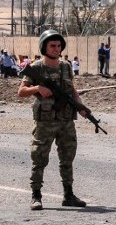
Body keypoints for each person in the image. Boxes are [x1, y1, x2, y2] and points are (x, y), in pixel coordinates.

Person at [17, 30, 89, 210]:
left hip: (66, 121)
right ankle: (36, 196)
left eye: (59, 46)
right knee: (39, 158)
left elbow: (72, 91)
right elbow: (21, 92)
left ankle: (68, 195)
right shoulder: (37, 68)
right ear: (44, 47)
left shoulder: (65, 66)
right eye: (52, 46)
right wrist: (37, 88)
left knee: (67, 157)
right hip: (45, 122)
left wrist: (80, 107)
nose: (57, 49)